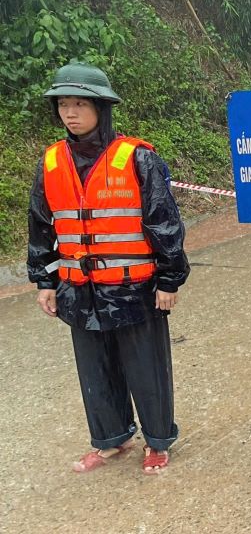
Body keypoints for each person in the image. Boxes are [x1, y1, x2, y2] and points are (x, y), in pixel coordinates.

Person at [27, 62, 189, 475]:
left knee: (145, 367)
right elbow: (41, 225)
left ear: (102, 108)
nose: (71, 113)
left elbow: (163, 220)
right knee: (95, 371)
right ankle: (111, 439)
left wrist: (169, 278)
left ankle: (157, 441)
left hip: (134, 287)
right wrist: (45, 280)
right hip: (78, 288)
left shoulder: (138, 158)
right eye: (63, 104)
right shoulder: (51, 162)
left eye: (80, 103)